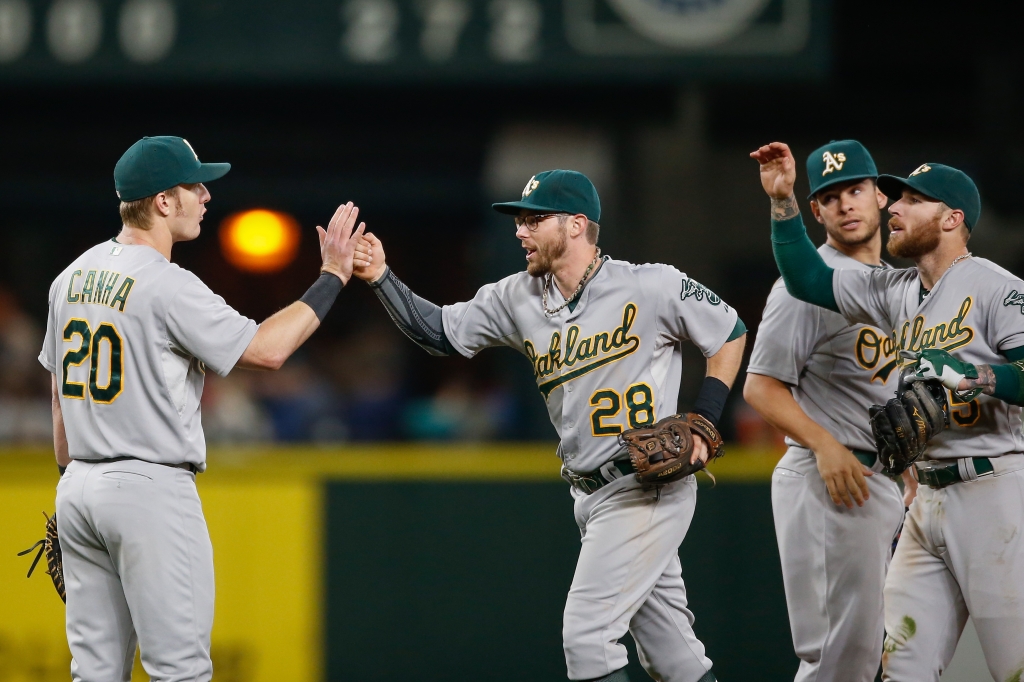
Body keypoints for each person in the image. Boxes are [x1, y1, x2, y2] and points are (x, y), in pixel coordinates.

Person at [351, 169, 746, 682]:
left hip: (646, 485)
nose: (520, 231)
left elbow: (729, 332)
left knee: (587, 637)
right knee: (674, 656)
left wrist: (705, 418)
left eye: (534, 219)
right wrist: (382, 276)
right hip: (589, 496)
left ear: (577, 224)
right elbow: (438, 333)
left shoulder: (651, 284)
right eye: (519, 220)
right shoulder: (516, 297)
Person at [40, 136, 366, 682]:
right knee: (181, 672)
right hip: (149, 488)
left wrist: (74, 485)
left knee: (93, 674)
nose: (205, 196)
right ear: (163, 201)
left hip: (77, 490)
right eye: (195, 185)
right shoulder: (167, 284)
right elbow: (266, 350)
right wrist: (331, 276)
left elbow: (59, 399)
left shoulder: (69, 276)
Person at [751, 141, 1024, 681]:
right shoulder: (895, 291)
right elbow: (807, 276)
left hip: (993, 493)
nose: (893, 207)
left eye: (912, 201)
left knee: (1012, 663)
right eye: (894, 197)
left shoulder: (998, 288)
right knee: (901, 666)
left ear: (951, 219)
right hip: (925, 500)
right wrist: (782, 203)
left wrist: (981, 376)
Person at [744, 140, 908, 682]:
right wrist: (824, 443)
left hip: (881, 480)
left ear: (880, 196)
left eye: (856, 190)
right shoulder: (804, 283)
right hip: (829, 480)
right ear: (815, 211)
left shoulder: (891, 287)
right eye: (831, 197)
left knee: (878, 657)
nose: (846, 205)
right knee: (836, 660)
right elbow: (762, 388)